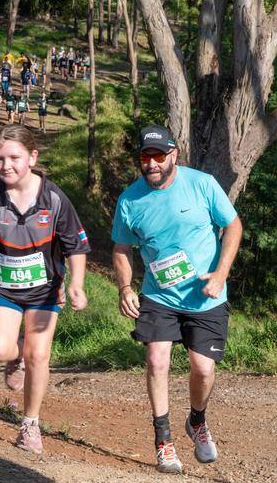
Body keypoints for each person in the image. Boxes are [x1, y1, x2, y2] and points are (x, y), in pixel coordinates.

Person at [111, 124, 243, 473]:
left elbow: (234, 226)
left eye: (158, 156)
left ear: (174, 155)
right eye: (144, 157)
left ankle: (197, 420)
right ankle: (163, 441)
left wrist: (221, 274)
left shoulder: (202, 184)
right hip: (159, 295)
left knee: (202, 370)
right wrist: (125, 288)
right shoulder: (129, 200)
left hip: (205, 296)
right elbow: (122, 248)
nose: (151, 163)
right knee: (156, 361)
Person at [0, 124, 90, 455]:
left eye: (14, 158)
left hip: (45, 289)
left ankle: (30, 424)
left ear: (32, 157)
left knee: (39, 354)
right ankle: (15, 356)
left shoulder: (54, 199)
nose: (6, 166)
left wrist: (76, 284)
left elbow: (75, 246)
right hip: (3, 286)